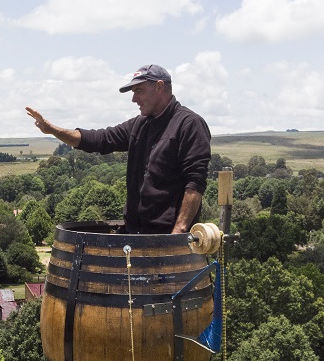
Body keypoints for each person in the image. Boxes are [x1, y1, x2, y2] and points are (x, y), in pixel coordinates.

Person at [26, 64, 211, 234]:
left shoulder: (189, 124)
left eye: (139, 90)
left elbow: (195, 184)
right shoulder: (139, 125)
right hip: (135, 235)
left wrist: (179, 231)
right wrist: (52, 130)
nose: (133, 99)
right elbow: (98, 139)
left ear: (160, 87)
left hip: (169, 238)